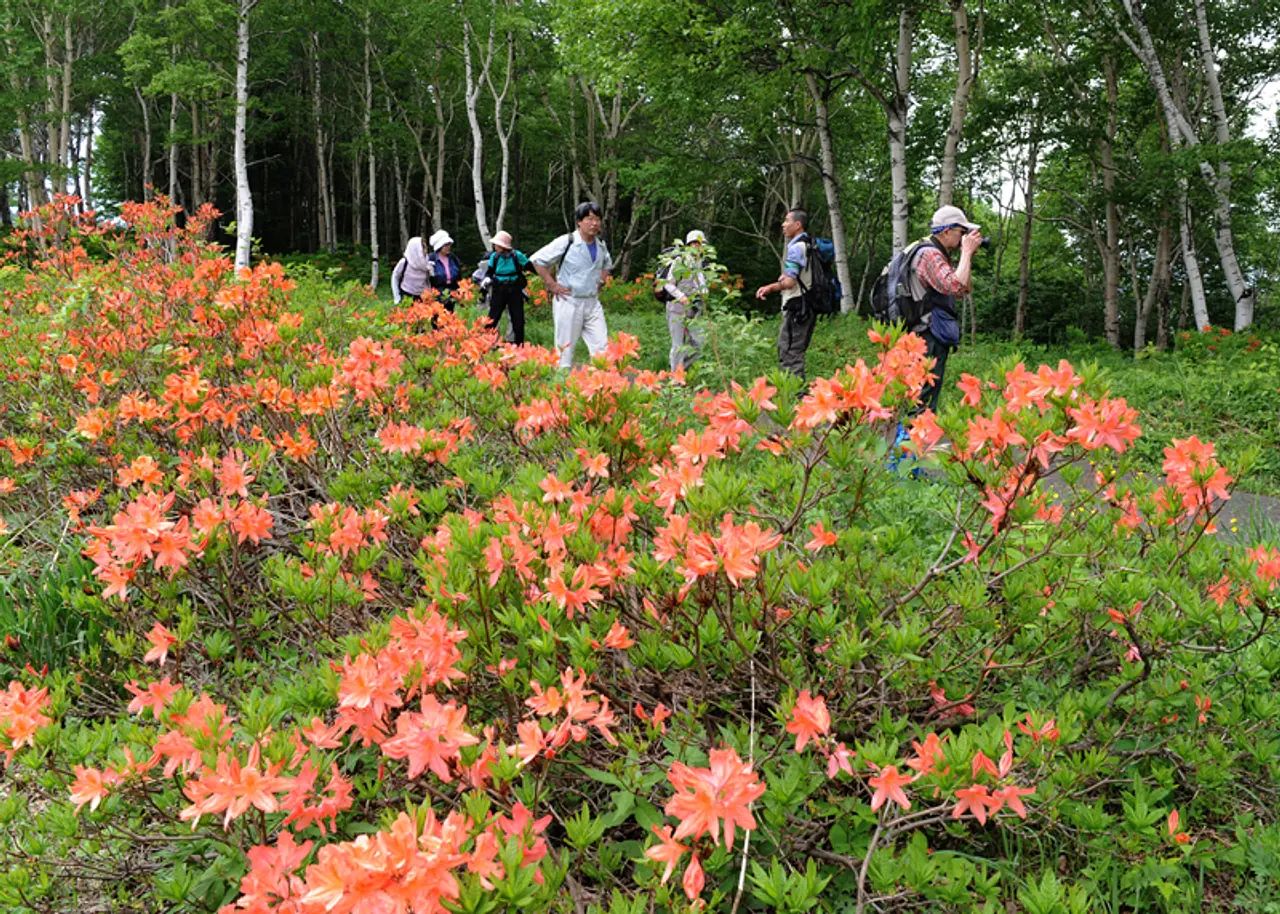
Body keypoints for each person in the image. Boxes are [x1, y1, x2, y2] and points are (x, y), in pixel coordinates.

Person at [908, 204, 980, 415]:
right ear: (947, 231)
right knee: (923, 394)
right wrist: (966, 252)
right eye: (961, 231)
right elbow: (954, 286)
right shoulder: (930, 255)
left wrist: (967, 257)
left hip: (928, 331)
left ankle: (912, 440)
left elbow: (963, 289)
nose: (964, 237)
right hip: (926, 333)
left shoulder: (937, 253)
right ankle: (914, 444)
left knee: (923, 391)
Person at [531, 202, 613, 369]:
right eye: (589, 219)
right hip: (569, 300)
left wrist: (601, 281)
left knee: (602, 348)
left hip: (592, 302)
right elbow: (537, 261)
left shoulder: (601, 245)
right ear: (579, 221)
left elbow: (607, 264)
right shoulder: (566, 241)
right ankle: (561, 388)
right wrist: (552, 285)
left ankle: (599, 388)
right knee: (565, 350)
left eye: (597, 219)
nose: (594, 223)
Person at [754, 208, 815, 379]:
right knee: (796, 349)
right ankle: (798, 392)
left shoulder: (796, 248)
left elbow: (790, 282)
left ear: (797, 225)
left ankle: (796, 396)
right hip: (809, 305)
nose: (783, 224)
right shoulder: (810, 245)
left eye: (787, 221)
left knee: (789, 350)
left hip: (797, 306)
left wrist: (770, 287)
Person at [663, 230, 710, 372]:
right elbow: (667, 284)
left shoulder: (701, 263)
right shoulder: (680, 261)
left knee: (700, 344)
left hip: (694, 310)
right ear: (689, 244)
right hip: (676, 309)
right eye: (695, 243)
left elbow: (702, 286)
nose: (698, 247)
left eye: (701, 244)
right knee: (678, 345)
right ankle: (675, 378)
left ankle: (680, 370)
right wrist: (681, 296)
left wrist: (703, 295)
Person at [483, 230, 535, 345]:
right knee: (492, 318)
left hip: (514, 289)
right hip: (499, 289)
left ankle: (519, 346)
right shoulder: (494, 257)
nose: (495, 246)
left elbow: (531, 267)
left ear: (503, 245)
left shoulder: (517, 255)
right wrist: (486, 278)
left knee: (518, 319)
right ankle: (485, 344)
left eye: (497, 244)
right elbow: (489, 272)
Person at [427, 229, 462, 311]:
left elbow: (459, 276)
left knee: (449, 317)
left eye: (449, 244)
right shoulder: (431, 259)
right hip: (437, 294)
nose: (448, 247)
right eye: (445, 245)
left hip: (451, 292)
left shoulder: (453, 258)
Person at [390, 236, 432, 304]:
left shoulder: (426, 262)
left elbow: (427, 281)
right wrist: (397, 297)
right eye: (423, 248)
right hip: (407, 297)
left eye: (426, 248)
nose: (426, 251)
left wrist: (429, 295)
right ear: (415, 249)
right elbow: (395, 277)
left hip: (423, 298)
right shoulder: (405, 262)